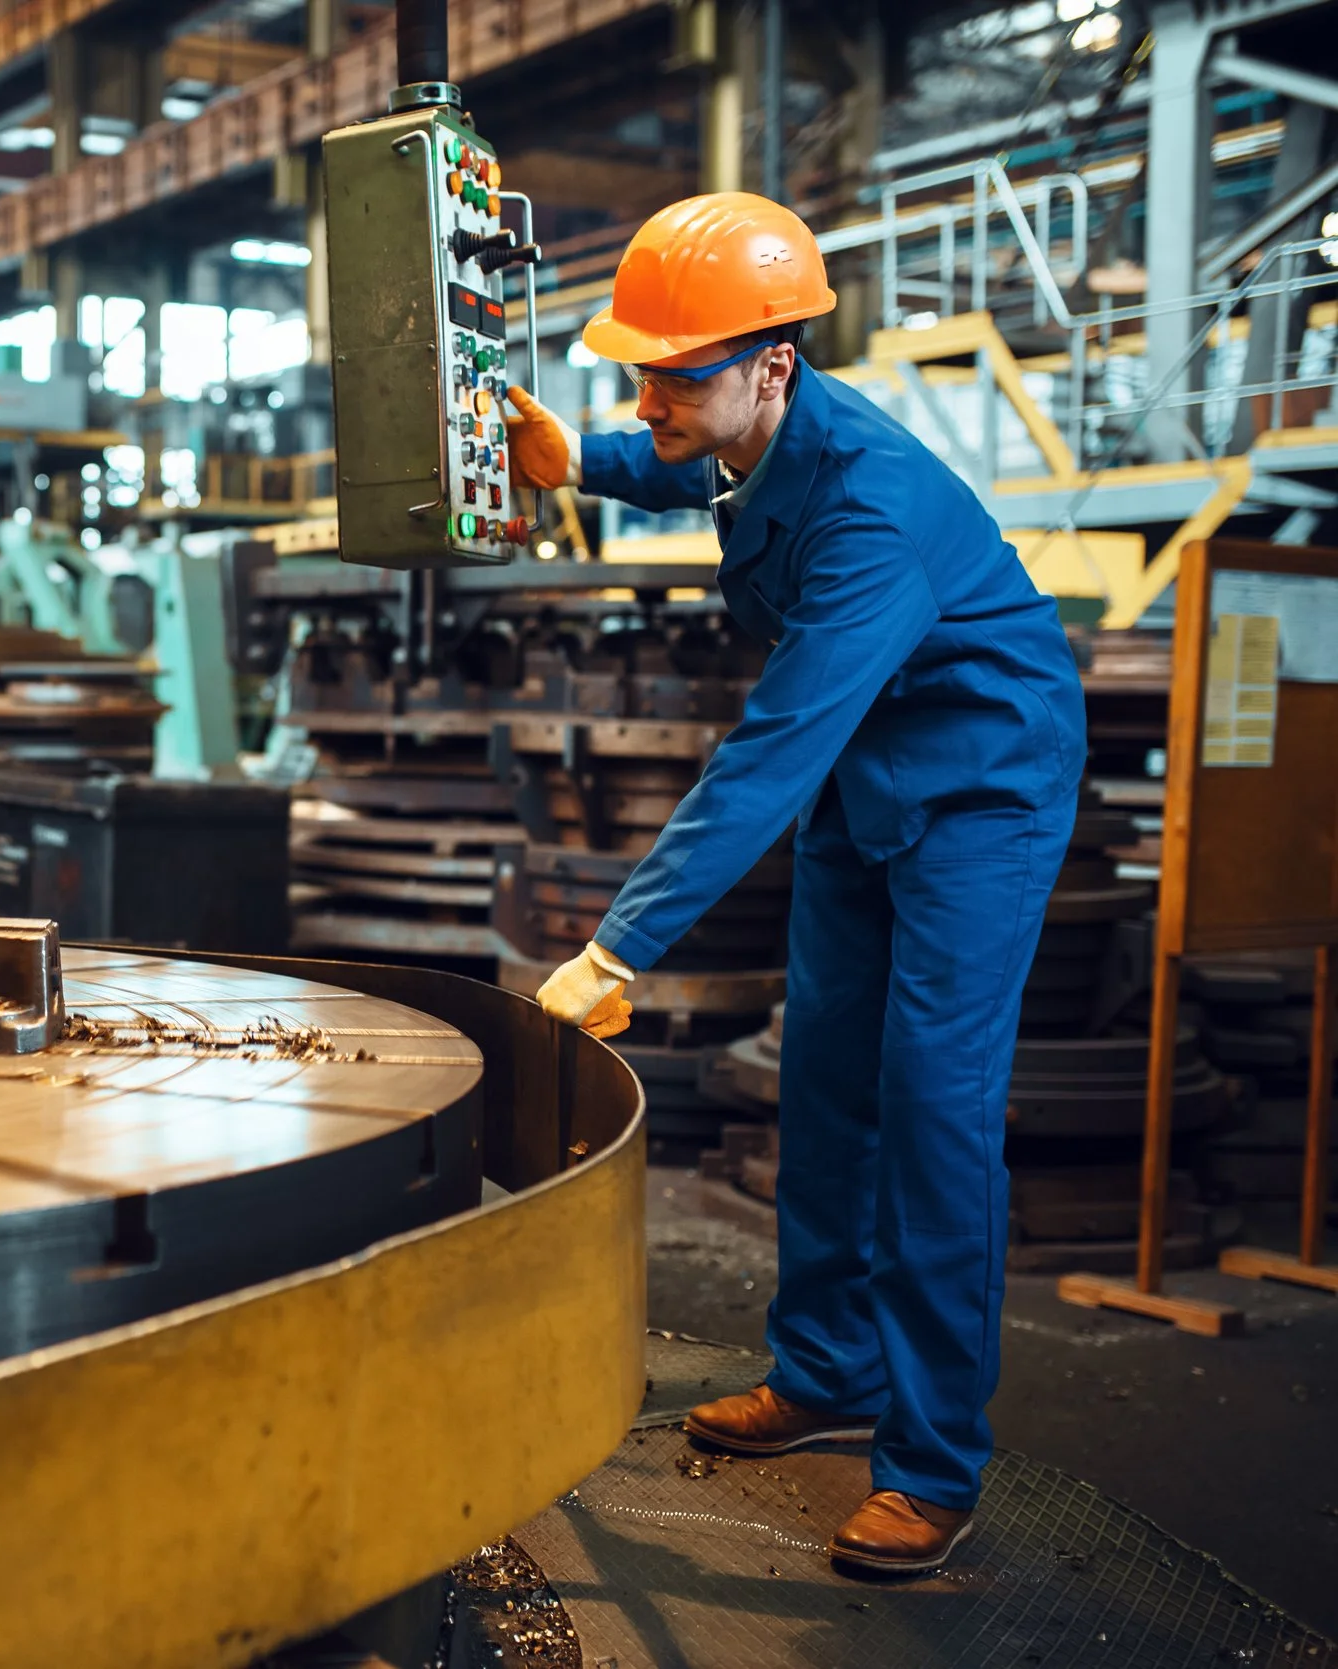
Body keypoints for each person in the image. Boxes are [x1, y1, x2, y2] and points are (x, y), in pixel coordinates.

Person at [504, 192, 1087, 1577]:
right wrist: (573, 457)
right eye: (638, 369)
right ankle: (828, 1369)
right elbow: (684, 463)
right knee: (825, 1076)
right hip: (869, 777)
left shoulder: (871, 518)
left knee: (933, 1107)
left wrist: (618, 949)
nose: (652, 395)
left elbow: (768, 755)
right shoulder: (747, 427)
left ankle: (932, 1465)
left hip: (977, 793)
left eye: (676, 373)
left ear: (774, 364)